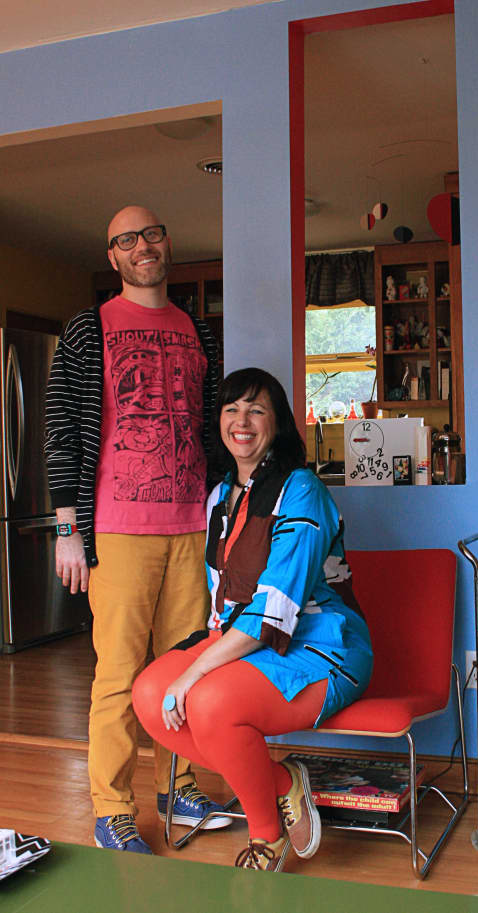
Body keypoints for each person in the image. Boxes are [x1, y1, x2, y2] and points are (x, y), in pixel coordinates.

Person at [132, 368, 373, 871]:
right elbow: (223, 602)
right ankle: (285, 782)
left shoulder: (301, 490)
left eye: (256, 410)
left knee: (208, 700)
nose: (242, 421)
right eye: (231, 410)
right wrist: (193, 664)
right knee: (150, 696)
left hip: (320, 647)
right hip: (242, 640)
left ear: (277, 424)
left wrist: (196, 670)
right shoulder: (221, 496)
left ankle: (266, 835)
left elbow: (275, 610)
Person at [44, 205, 226, 854]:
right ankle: (112, 808)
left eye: (151, 233)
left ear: (166, 242)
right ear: (114, 255)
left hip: (190, 527)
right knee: (119, 675)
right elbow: (63, 427)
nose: (142, 246)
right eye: (127, 239)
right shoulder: (89, 330)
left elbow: (211, 430)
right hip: (117, 529)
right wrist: (67, 526)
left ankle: (175, 786)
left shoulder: (198, 332)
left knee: (185, 671)